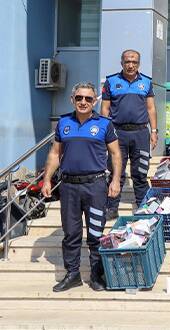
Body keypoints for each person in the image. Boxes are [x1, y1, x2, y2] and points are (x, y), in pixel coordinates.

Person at [41, 82, 122, 292]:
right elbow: (54, 154)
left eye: (88, 98)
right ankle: (73, 274)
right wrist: (47, 179)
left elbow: (115, 154)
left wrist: (115, 180)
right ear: (72, 100)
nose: (83, 102)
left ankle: (96, 275)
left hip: (95, 186)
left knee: (96, 233)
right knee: (71, 234)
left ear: (95, 101)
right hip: (68, 187)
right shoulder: (64, 122)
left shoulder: (104, 124)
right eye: (79, 98)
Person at [101, 49, 158, 220]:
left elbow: (151, 108)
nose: (130, 65)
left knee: (140, 172)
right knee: (115, 172)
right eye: (127, 61)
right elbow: (104, 108)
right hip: (117, 133)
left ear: (138, 64)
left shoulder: (146, 82)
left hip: (141, 133)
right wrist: (105, 132)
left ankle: (144, 207)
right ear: (122, 63)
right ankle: (112, 208)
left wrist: (154, 131)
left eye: (134, 62)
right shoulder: (111, 81)